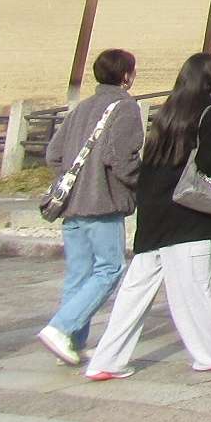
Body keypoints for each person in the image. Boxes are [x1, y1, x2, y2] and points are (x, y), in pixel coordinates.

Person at [84, 52, 211, 379]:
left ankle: (107, 361)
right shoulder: (210, 112)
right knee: (196, 290)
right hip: (187, 213)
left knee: (135, 293)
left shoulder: (166, 111)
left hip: (154, 210)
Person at [36, 48, 141, 366]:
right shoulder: (125, 106)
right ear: (125, 75)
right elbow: (121, 159)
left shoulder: (81, 108)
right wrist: (141, 180)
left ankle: (70, 342)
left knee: (78, 274)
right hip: (102, 202)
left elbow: (54, 154)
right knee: (110, 268)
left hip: (71, 204)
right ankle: (60, 328)